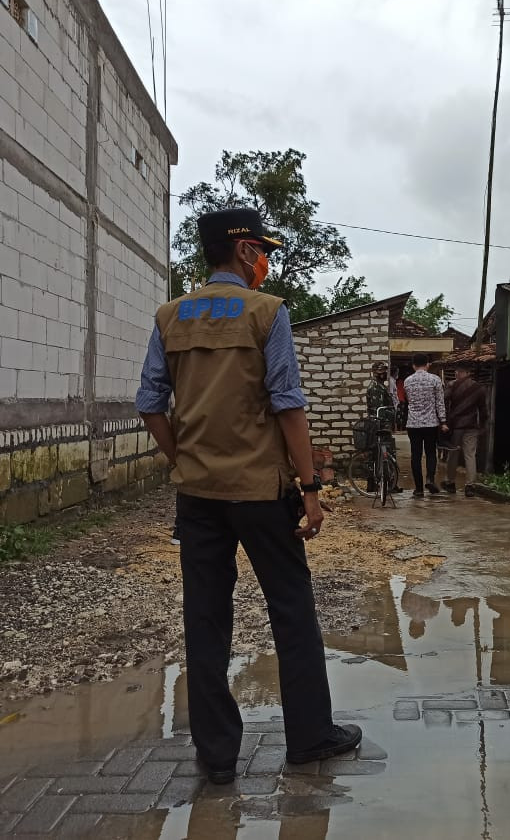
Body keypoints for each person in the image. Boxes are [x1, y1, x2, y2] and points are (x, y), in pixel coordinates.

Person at [136, 207, 361, 785]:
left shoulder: (169, 317)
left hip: (199, 496)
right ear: (242, 252)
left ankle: (217, 758)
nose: (264, 260)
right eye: (261, 249)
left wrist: (183, 460)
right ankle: (310, 738)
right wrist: (310, 488)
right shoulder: (268, 313)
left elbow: (150, 404)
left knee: (206, 619)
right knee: (291, 610)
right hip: (262, 493)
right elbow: (287, 402)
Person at [403, 353, 448, 497]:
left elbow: (409, 401)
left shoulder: (407, 381)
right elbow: (440, 403)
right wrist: (443, 421)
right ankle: (430, 478)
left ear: (413, 365)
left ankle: (418, 489)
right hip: (431, 423)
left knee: (415, 455)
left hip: (413, 424)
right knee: (430, 453)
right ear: (428, 364)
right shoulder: (435, 380)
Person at [443, 364, 488, 497]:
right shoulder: (479, 388)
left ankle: (450, 483)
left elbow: (443, 402)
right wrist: (483, 424)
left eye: (460, 371)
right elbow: (483, 409)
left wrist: (444, 421)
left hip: (456, 426)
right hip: (471, 426)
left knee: (453, 455)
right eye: (456, 371)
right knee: (470, 455)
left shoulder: (452, 386)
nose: (457, 373)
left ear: (467, 372)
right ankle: (470, 486)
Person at [365, 361, 401, 492]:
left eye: (385, 371)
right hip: (379, 426)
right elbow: (379, 410)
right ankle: (388, 484)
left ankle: (386, 484)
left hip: (381, 425)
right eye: (382, 372)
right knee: (385, 454)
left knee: (379, 455)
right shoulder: (375, 388)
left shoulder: (379, 386)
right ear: (376, 373)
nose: (384, 374)